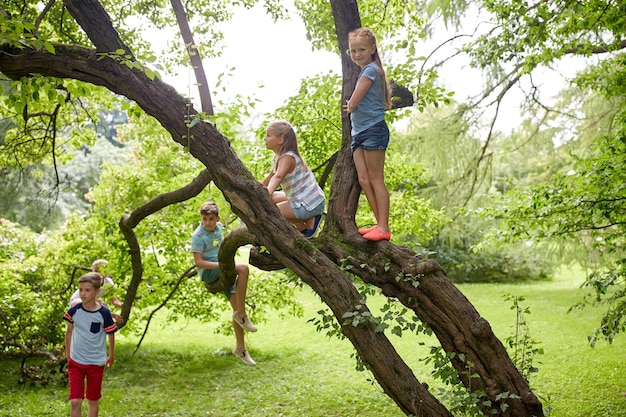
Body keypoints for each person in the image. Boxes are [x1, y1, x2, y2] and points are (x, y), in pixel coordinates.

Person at [191, 201, 258, 366]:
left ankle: (240, 348)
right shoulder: (198, 236)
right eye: (205, 219)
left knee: (235, 306)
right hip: (209, 272)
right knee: (243, 269)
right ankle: (242, 314)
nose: (208, 222)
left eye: (211, 219)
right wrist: (221, 265)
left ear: (217, 218)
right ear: (201, 219)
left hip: (223, 269)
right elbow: (199, 262)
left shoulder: (219, 227)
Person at [343, 27, 393, 241]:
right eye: (353, 51)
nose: (357, 55)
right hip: (359, 133)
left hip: (374, 129)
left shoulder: (372, 70)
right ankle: (379, 224)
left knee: (375, 178)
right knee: (364, 179)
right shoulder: (365, 70)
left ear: (372, 49)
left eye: (361, 49)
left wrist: (350, 106)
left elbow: (355, 99)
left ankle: (384, 227)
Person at [63, 272, 117, 417]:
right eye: (80, 290)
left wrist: (111, 355)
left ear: (97, 292)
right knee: (75, 401)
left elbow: (111, 333)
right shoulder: (74, 309)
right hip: (76, 361)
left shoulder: (104, 313)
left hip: (96, 362)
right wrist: (68, 355)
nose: (83, 294)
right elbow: (69, 332)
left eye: (87, 290)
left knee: (92, 400)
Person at [261, 120, 325, 238]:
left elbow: (278, 177)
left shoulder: (287, 158)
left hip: (309, 203)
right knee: (272, 197)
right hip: (305, 199)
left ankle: (308, 220)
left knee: (269, 211)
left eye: (268, 135)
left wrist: (267, 192)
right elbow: (270, 177)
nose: (265, 139)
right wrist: (262, 186)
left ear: (281, 139)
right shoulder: (278, 158)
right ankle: (302, 224)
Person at [69, 259, 124, 325]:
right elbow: (92, 300)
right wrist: (112, 315)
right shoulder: (91, 282)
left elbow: (114, 299)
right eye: (95, 271)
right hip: (78, 302)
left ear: (106, 272)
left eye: (100, 271)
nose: (98, 273)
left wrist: (121, 305)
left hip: (90, 304)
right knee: (102, 305)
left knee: (101, 306)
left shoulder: (108, 283)